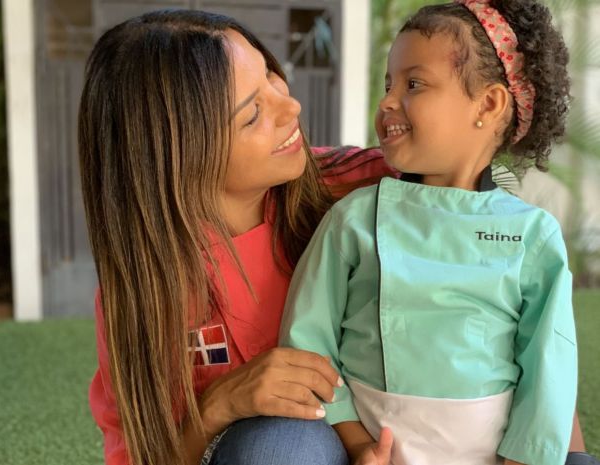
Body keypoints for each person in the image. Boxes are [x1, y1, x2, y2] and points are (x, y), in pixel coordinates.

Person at [78, 9, 396, 465]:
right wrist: (219, 405)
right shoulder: (141, 295)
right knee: (280, 445)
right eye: (252, 115)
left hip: (403, 432)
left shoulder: (366, 186)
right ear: (179, 156)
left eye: (270, 75)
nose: (292, 107)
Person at [280, 1, 583, 464]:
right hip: (366, 445)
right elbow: (309, 341)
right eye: (388, 84)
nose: (386, 101)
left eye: (414, 84)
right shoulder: (354, 218)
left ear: (488, 104)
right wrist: (358, 444)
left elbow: (548, 365)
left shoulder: (532, 234)